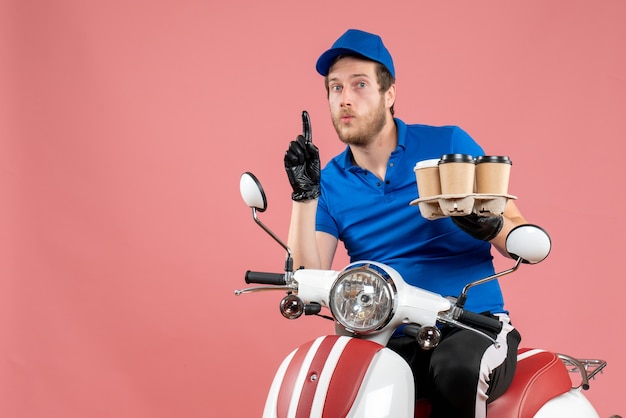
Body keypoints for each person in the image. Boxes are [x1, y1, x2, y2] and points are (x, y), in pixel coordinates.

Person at [283, 29, 528, 418]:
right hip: (383, 329)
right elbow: (310, 281)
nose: (344, 99)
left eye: (359, 85)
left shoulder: (449, 144)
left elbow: (513, 226)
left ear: (389, 94)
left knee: (455, 369)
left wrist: (493, 225)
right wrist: (304, 196)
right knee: (333, 382)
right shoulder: (329, 182)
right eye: (335, 88)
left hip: (468, 325)